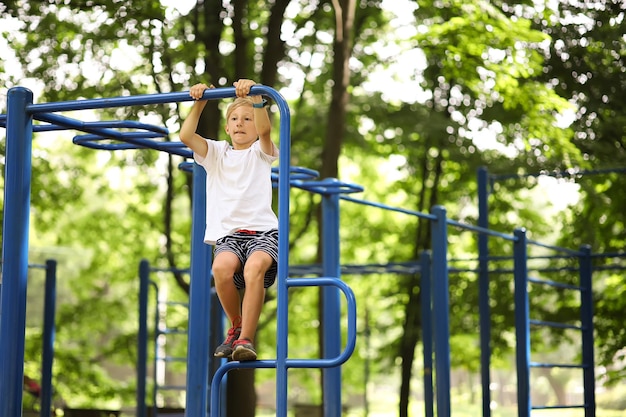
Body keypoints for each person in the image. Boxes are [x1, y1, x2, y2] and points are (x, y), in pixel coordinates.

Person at [180, 79, 279, 361]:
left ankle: (247, 338)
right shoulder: (216, 154)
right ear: (226, 127)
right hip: (230, 235)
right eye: (234, 119)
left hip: (263, 233)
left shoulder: (262, 151)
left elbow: (265, 129)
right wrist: (200, 102)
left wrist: (257, 97)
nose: (240, 124)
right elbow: (186, 135)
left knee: (254, 268)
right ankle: (235, 326)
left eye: (247, 119)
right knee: (221, 270)